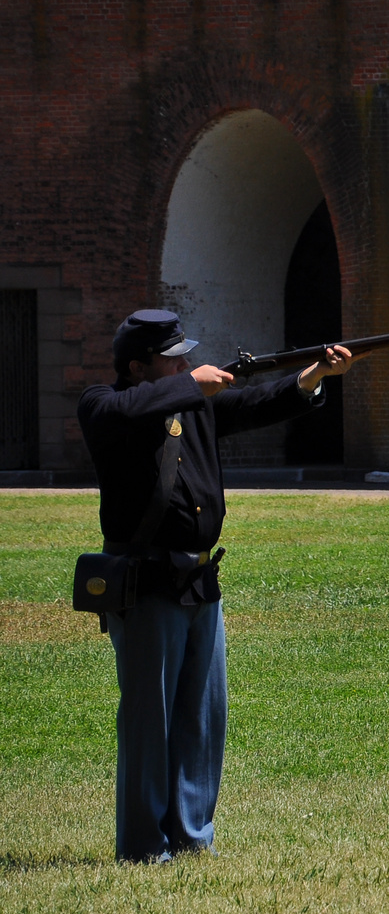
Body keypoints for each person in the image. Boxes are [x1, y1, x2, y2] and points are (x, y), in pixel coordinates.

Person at [77, 309, 360, 863]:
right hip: (146, 583)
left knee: (202, 721)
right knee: (149, 722)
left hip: (200, 580)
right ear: (137, 367)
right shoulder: (105, 406)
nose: (184, 362)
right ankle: (142, 846)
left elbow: (257, 404)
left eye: (185, 356)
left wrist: (313, 377)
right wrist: (191, 383)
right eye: (171, 358)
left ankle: (191, 839)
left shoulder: (190, 403)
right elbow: (123, 408)